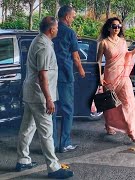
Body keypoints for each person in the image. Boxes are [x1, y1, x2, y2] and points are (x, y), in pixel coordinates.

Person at [16, 16, 74, 179]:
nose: (57, 29)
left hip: (32, 94)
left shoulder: (39, 40)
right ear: (52, 29)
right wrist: (49, 99)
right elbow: (43, 75)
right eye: (56, 27)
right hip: (39, 95)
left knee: (27, 128)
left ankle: (23, 160)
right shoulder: (44, 46)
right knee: (47, 132)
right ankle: (53, 168)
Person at [97, 17, 135, 142]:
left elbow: (125, 55)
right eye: (114, 26)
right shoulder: (104, 43)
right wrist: (99, 77)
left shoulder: (123, 41)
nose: (117, 28)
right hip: (109, 77)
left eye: (119, 26)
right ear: (109, 28)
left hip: (123, 76)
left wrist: (133, 52)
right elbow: (98, 61)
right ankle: (108, 124)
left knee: (128, 102)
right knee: (110, 104)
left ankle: (130, 131)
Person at [52, 5, 85, 153]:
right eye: (73, 17)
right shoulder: (70, 32)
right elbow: (76, 56)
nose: (73, 19)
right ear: (66, 17)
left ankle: (51, 144)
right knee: (67, 110)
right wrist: (81, 70)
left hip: (51, 75)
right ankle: (64, 143)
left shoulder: (51, 30)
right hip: (65, 74)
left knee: (52, 110)